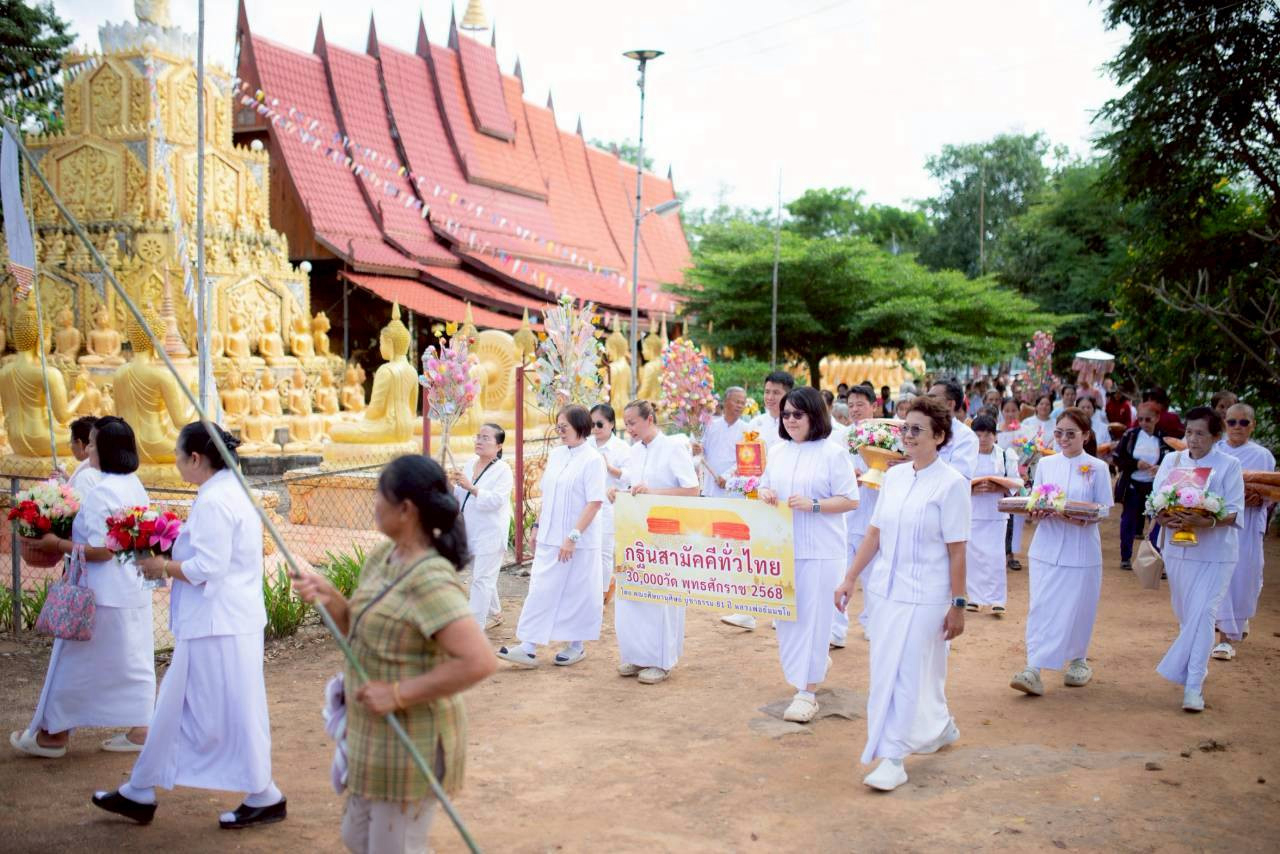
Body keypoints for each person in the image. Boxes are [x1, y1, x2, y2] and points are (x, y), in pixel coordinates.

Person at [292, 454, 496, 852]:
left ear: (406, 509)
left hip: (412, 738)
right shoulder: (381, 558)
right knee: (357, 837)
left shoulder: (430, 577)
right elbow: (364, 634)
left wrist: (398, 694)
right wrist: (331, 598)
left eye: (379, 497)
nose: (374, 505)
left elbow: (480, 662)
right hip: (373, 733)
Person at [93, 423, 286, 829]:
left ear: (196, 459)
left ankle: (264, 793)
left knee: (237, 709)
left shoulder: (217, 499)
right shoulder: (225, 490)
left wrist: (160, 565)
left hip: (221, 623)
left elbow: (208, 568)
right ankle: (140, 790)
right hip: (219, 620)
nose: (177, 464)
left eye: (179, 457)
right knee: (173, 706)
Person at [833, 396, 969, 792]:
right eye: (904, 428)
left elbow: (957, 549)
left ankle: (893, 757)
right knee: (891, 669)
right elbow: (874, 533)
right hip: (886, 593)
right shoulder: (893, 477)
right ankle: (939, 726)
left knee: (905, 672)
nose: (907, 436)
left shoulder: (952, 484)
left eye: (916, 430)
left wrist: (958, 605)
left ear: (939, 437)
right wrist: (850, 577)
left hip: (928, 595)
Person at [11, 417, 153, 759]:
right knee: (132, 663)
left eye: (90, 443)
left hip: (101, 593)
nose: (86, 449)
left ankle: (53, 736)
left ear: (104, 449)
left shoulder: (103, 490)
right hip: (132, 589)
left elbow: (105, 550)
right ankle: (141, 729)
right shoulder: (133, 484)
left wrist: (56, 543)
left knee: (72, 663)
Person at [758, 387, 857, 722]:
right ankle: (809, 668)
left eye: (797, 414)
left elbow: (850, 499)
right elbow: (764, 485)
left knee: (815, 620)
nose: (790, 420)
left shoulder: (833, 453)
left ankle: (807, 692)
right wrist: (766, 492)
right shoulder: (778, 451)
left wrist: (815, 505)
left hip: (821, 550)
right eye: (786, 415)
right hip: (784, 547)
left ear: (815, 415)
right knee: (787, 619)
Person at [1010, 408, 1114, 697]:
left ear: (1086, 436)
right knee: (1041, 606)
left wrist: (1081, 516)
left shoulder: (1097, 468)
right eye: (1059, 433)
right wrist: (1037, 511)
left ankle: (1078, 659)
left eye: (1071, 434)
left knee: (1079, 606)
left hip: (1081, 550)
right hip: (1047, 547)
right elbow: (1036, 501)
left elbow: (1104, 508)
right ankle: (1033, 668)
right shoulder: (1046, 464)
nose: (1064, 439)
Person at [496, 405, 606, 667]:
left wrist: (573, 537)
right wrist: (537, 526)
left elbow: (594, 502)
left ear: (581, 427)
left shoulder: (593, 460)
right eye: (558, 427)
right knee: (540, 589)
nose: (560, 433)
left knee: (577, 592)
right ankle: (528, 646)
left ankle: (576, 645)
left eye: (564, 427)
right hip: (549, 536)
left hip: (578, 541)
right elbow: (549, 495)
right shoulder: (557, 455)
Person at [1150, 406, 1244, 712]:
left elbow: (1233, 510)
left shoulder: (1229, 465)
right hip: (1178, 550)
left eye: (1200, 433)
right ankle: (1190, 671)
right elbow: (1156, 500)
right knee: (1186, 616)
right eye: (1189, 432)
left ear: (1216, 436)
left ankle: (1193, 686)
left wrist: (1208, 521)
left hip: (1216, 553)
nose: (1193, 439)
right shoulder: (1171, 460)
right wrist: (1164, 516)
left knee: (1204, 614)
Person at [614, 400, 700, 683]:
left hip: (667, 533)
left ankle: (662, 661)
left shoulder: (673, 447)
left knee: (662, 597)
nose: (629, 428)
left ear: (649, 419)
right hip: (636, 532)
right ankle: (636, 655)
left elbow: (692, 490)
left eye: (633, 423)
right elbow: (634, 486)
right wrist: (622, 494)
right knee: (633, 593)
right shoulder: (635, 452)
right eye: (626, 423)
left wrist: (654, 492)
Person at [723, 372, 795, 631]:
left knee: (782, 554)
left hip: (785, 501)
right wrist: (733, 476)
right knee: (751, 553)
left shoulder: (795, 424)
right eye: (767, 392)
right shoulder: (754, 424)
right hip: (755, 498)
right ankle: (746, 610)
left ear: (788, 394)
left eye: (776, 392)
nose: (770, 397)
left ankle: (781, 611)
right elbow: (743, 459)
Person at [1213, 404, 1273, 661]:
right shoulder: (1216, 451)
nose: (1237, 427)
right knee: (1219, 576)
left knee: (1243, 577)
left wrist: (1256, 499)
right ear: (1224, 423)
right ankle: (1223, 636)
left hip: (1247, 525)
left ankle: (1234, 627)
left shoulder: (1262, 455)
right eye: (1232, 422)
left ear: (1253, 425)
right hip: (1217, 523)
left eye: (1243, 423)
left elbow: (1271, 493)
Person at [451, 423, 513, 630]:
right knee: (482, 575)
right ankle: (495, 613)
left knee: (481, 580)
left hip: (491, 533)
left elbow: (496, 500)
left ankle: (474, 628)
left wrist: (471, 487)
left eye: (486, 438)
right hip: (470, 530)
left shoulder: (503, 470)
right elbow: (460, 496)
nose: (479, 441)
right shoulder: (470, 464)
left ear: (499, 445)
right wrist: (453, 486)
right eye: (478, 437)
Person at [832, 385, 878, 645]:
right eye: (851, 405)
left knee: (872, 574)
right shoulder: (842, 436)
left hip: (874, 513)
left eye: (860, 404)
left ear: (873, 405)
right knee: (841, 573)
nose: (855, 410)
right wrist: (850, 479)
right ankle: (837, 629)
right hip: (846, 515)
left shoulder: (886, 435)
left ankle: (872, 623)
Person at [967, 415, 1019, 615]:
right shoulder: (967, 456)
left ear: (995, 435)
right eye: (978, 434)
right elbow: (957, 482)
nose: (983, 439)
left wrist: (997, 485)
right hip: (972, 511)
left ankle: (998, 599)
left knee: (995, 556)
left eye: (987, 434)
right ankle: (975, 598)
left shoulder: (1006, 455)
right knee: (973, 556)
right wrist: (972, 488)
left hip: (996, 513)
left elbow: (1016, 482)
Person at [1112, 402, 1169, 570]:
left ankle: (1155, 561)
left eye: (1148, 419)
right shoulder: (1130, 435)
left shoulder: (1163, 437)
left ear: (1157, 418)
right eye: (1141, 419)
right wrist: (1136, 464)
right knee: (1128, 520)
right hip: (1133, 484)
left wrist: (1161, 468)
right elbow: (1118, 458)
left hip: (1155, 487)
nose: (1144, 423)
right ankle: (1125, 557)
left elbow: (1172, 461)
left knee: (1157, 522)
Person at [590, 404, 630, 600]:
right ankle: (592, 590)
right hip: (587, 506)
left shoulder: (621, 447)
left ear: (612, 424)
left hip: (609, 506)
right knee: (589, 551)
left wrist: (610, 468)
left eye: (600, 424)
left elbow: (631, 477)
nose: (595, 429)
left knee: (605, 552)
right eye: (591, 424)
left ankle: (603, 592)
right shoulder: (586, 444)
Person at [699, 387, 749, 497]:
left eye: (743, 403)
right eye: (737, 402)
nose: (740, 405)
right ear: (725, 402)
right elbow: (701, 453)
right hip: (710, 487)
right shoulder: (710, 425)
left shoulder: (748, 430)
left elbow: (746, 461)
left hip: (734, 489)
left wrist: (728, 477)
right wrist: (697, 449)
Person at [997, 397, 1028, 571]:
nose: (1010, 414)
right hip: (1001, 480)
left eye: (1013, 410)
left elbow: (1030, 453)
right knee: (1002, 518)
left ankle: (1012, 554)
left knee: (1016, 518)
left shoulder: (1025, 432)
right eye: (1006, 410)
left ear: (1018, 411)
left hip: (1018, 479)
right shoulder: (997, 432)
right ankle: (1000, 553)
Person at [928, 379, 978, 478]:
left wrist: (918, 464)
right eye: (927, 397)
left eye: (932, 398)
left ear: (950, 404)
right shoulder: (922, 429)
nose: (927, 402)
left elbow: (956, 476)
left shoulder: (966, 437)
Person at [65, 415, 104, 495]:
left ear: (80, 444)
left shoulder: (85, 475)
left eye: (71, 442)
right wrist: (68, 479)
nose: (87, 449)